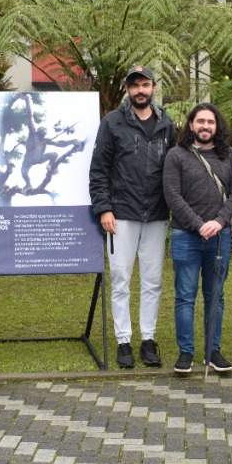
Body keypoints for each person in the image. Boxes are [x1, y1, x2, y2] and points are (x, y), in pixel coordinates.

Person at [88, 64, 177, 369]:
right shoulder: (113, 122)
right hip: (121, 214)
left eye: (146, 84)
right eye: (135, 85)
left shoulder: (167, 123)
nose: (141, 90)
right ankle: (123, 341)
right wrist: (104, 208)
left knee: (152, 281)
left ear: (154, 87)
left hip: (156, 213)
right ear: (127, 89)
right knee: (122, 279)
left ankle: (148, 340)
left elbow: (176, 168)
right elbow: (98, 169)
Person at [162, 102, 232, 374]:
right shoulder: (176, 155)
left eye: (210, 122)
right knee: (185, 296)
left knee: (215, 296)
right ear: (191, 125)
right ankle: (186, 352)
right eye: (200, 121)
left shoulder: (230, 156)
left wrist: (219, 222)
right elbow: (172, 195)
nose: (205, 126)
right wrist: (199, 225)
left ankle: (213, 351)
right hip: (186, 236)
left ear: (217, 126)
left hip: (219, 237)